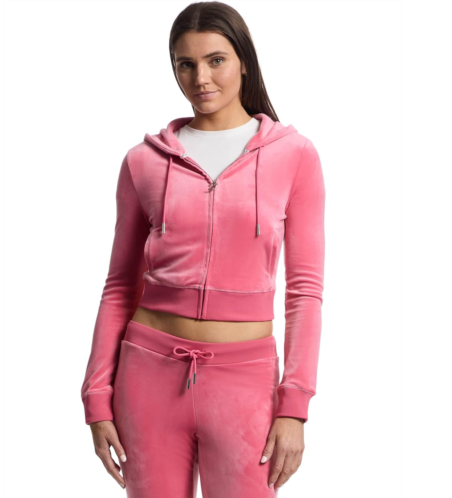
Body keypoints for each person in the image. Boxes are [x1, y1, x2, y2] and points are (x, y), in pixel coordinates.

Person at [80, 2, 325, 497]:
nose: (201, 78)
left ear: (244, 62)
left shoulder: (294, 155)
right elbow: (120, 285)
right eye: (186, 64)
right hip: (147, 375)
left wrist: (295, 406)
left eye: (216, 60)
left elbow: (304, 291)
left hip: (245, 383)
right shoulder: (143, 161)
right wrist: (96, 395)